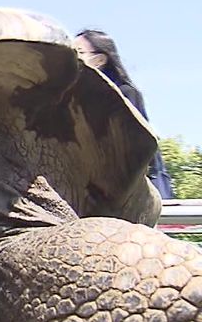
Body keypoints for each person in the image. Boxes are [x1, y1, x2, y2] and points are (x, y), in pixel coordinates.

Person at [73, 29, 174, 199]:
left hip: (136, 191)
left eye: (79, 52)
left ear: (99, 60)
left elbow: (137, 145)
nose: (71, 57)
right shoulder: (72, 97)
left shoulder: (125, 94)